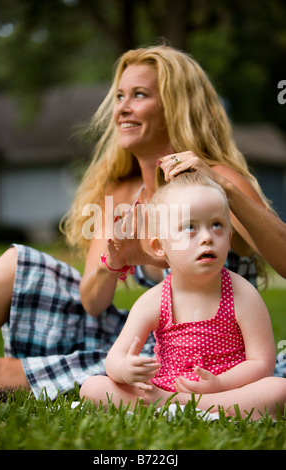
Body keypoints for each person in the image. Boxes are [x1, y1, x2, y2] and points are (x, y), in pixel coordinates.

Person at [0, 44, 285, 399]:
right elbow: (93, 303)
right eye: (119, 97)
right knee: (17, 263)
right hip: (139, 335)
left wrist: (226, 189)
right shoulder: (120, 191)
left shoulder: (215, 182)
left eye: (138, 95)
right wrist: (116, 262)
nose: (122, 109)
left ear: (175, 106)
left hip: (212, 354)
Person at [80, 173, 286, 419]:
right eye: (190, 227)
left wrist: (219, 383)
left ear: (229, 238)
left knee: (278, 389)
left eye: (217, 225)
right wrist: (124, 369)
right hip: (166, 386)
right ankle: (191, 406)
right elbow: (115, 357)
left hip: (228, 389)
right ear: (160, 247)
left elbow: (261, 364)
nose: (207, 237)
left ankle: (177, 405)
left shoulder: (243, 295)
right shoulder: (154, 300)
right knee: (92, 387)